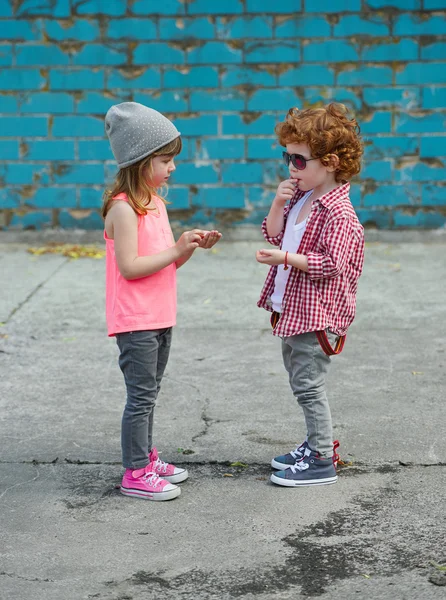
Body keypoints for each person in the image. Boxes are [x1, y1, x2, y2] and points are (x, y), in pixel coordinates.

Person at [102, 102, 221, 501]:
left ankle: (146, 457)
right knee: (140, 397)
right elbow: (132, 268)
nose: (172, 168)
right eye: (166, 160)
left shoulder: (155, 202)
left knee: (150, 391)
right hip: (135, 320)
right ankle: (135, 472)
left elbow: (166, 267)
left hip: (159, 315)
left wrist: (188, 247)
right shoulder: (123, 208)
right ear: (139, 161)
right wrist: (174, 250)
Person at [256, 103, 364, 487]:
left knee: (309, 384)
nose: (291, 168)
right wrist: (279, 202)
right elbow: (273, 233)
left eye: (299, 160)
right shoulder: (303, 198)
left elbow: (330, 263)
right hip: (295, 310)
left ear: (331, 161)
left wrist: (286, 257)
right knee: (299, 379)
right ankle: (316, 444)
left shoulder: (339, 212)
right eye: (287, 158)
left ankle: (321, 460)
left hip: (318, 315)